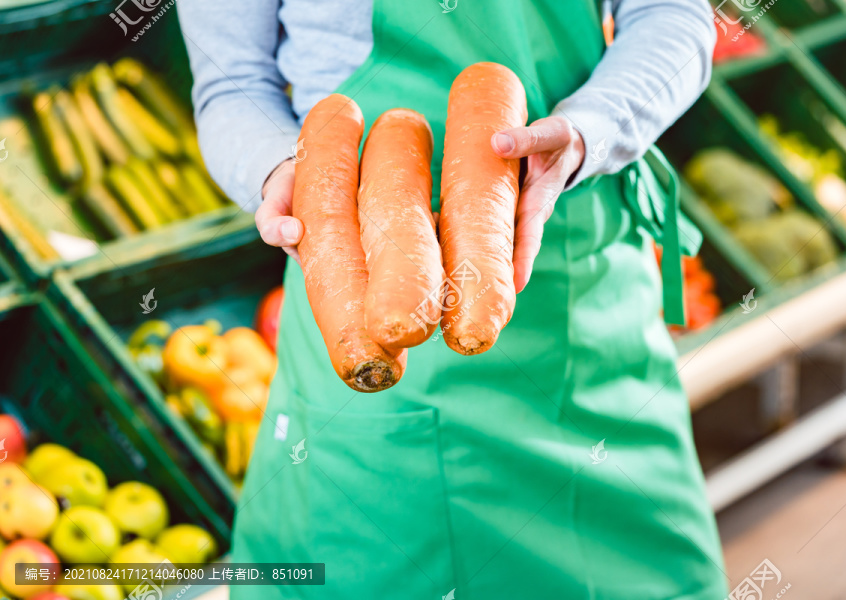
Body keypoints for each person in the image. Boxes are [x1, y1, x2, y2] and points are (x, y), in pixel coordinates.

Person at [178, 0, 727, 597]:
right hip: (359, 283)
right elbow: (231, 84)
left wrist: (593, 128)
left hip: (582, 280)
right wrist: (289, 175)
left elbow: (674, 15)